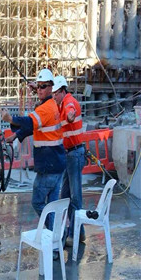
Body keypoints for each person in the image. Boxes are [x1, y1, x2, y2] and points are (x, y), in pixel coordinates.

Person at [1, 69, 66, 232]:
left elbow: (30, 122)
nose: (40, 90)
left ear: (52, 87)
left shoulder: (46, 109)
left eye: (43, 87)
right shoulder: (51, 105)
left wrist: (11, 119)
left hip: (49, 166)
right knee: (51, 205)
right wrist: (16, 135)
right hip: (57, 163)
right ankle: (58, 235)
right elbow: (35, 128)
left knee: (37, 202)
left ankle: (57, 234)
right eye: (38, 87)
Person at [52, 75, 86, 246]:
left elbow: (71, 112)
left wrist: (71, 115)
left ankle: (75, 233)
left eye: (55, 93)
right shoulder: (60, 104)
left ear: (63, 90)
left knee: (75, 196)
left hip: (74, 154)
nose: (54, 96)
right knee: (65, 195)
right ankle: (77, 233)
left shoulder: (68, 102)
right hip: (69, 154)